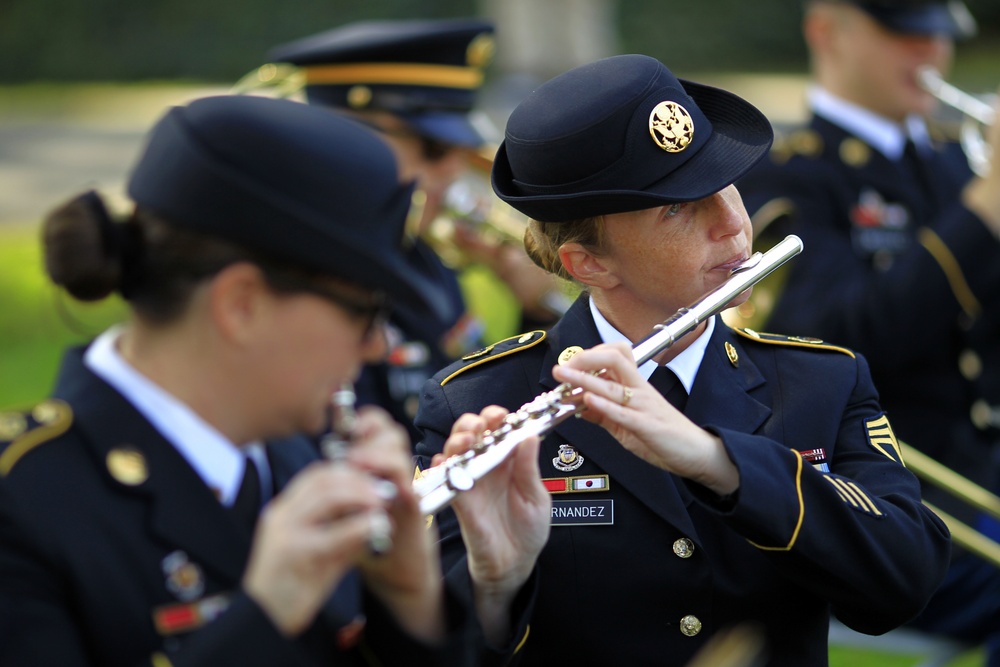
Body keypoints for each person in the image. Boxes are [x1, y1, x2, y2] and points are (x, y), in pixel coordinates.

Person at [413, 53, 953, 667]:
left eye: (728, 186)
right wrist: (493, 583)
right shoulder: (477, 401)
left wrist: (721, 462)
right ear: (590, 263)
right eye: (678, 207)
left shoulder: (819, 381)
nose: (733, 224)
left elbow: (905, 582)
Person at [0, 94, 481, 666]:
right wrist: (266, 615)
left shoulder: (303, 460)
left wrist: (411, 604)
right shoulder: (22, 500)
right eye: (364, 310)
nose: (377, 344)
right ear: (242, 305)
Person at [735, 0, 1000, 658]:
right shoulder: (785, 172)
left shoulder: (953, 161)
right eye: (904, 33)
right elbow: (837, 339)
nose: (930, 53)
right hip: (892, 492)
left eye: (938, 36)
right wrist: (983, 212)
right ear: (826, 29)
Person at [256, 18, 569, 443]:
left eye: (460, 151)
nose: (454, 171)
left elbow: (471, 405)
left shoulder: (420, 258)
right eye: (434, 148)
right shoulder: (291, 274)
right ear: (344, 136)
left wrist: (535, 311)